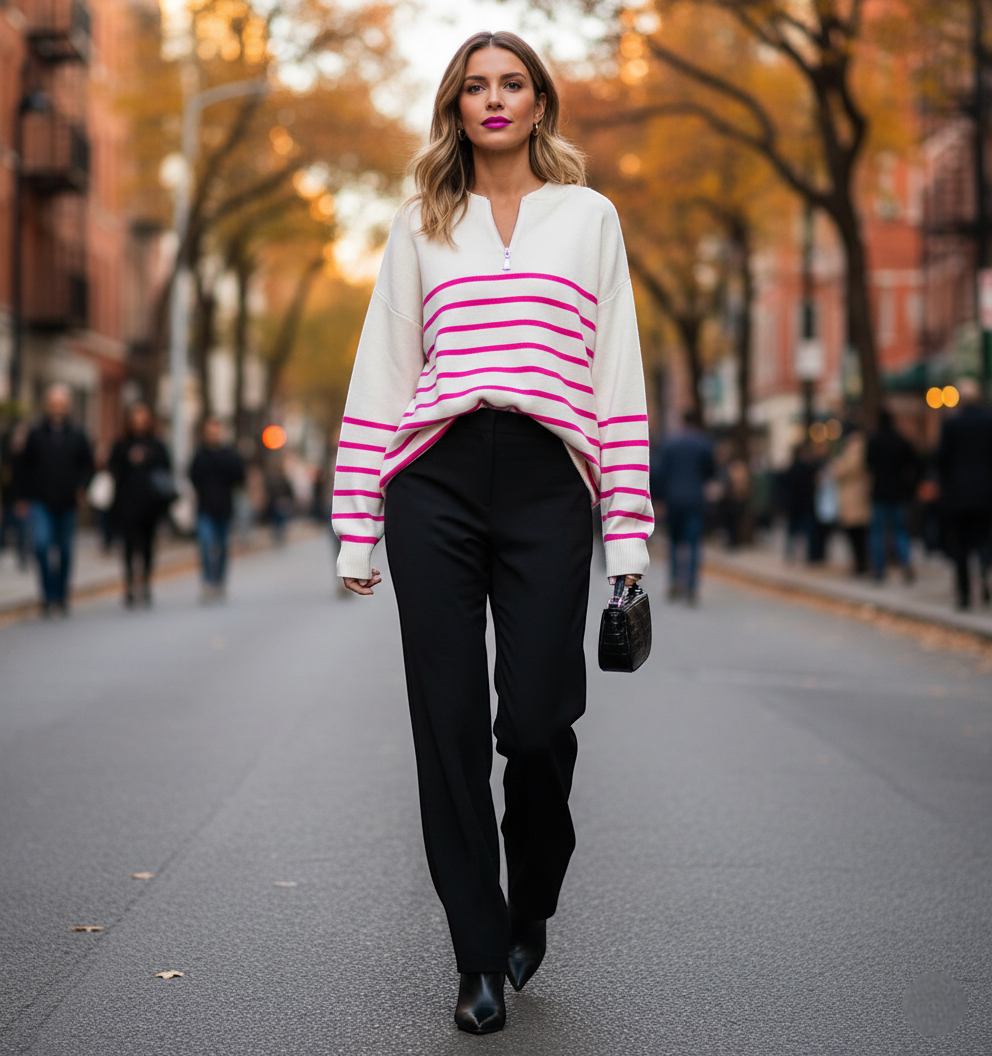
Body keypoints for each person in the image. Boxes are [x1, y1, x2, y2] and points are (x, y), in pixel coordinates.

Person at [330, 32, 652, 1034]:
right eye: (475, 86)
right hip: (434, 481)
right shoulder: (421, 222)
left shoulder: (587, 219)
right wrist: (356, 528)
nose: (494, 99)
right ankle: (475, 954)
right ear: (455, 108)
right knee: (450, 727)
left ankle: (533, 895)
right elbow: (382, 374)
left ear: (540, 103)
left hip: (545, 485)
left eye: (512, 83)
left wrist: (627, 543)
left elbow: (616, 379)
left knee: (537, 725)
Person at [21, 384, 94, 614]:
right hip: (40, 500)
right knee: (42, 545)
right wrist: (21, 497)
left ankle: (61, 596)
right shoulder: (35, 433)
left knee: (64, 550)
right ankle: (47, 593)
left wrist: (82, 488)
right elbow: (24, 467)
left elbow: (87, 465)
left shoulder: (78, 434)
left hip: (67, 501)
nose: (57, 409)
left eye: (61, 405)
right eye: (53, 404)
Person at [109, 403, 171, 607]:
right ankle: (128, 585)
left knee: (146, 547)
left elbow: (166, 468)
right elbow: (112, 468)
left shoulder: (157, 445)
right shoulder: (122, 445)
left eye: (143, 420)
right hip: (127, 505)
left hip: (150, 506)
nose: (139, 424)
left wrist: (149, 458)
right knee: (128, 547)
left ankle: (144, 583)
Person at [937, 377, 992, 608]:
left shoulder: (952, 424)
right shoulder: (989, 421)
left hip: (958, 495)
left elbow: (942, 459)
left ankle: (964, 594)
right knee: (984, 542)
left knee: (960, 547)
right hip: (986, 494)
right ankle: (984, 576)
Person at [650, 409, 715, 603]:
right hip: (695, 500)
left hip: (673, 501)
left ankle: (674, 583)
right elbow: (710, 472)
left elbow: (659, 473)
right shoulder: (704, 443)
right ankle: (692, 588)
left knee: (674, 544)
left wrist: (659, 499)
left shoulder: (669, 444)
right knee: (694, 544)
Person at [189, 416, 245, 600]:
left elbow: (239, 477)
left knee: (221, 546)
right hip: (205, 508)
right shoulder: (200, 455)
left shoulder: (229, 455)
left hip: (224, 508)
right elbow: (192, 476)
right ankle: (208, 581)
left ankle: (219, 581)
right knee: (206, 544)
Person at [866, 409, 918, 583]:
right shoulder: (900, 441)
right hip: (898, 492)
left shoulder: (874, 441)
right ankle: (905, 563)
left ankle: (879, 570)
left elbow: (868, 464)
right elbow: (913, 463)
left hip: (880, 492)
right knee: (900, 530)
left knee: (878, 532)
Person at [829, 425, 871, 576]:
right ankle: (860, 563)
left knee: (856, 534)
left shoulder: (854, 449)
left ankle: (860, 564)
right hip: (856, 496)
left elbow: (846, 470)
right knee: (857, 534)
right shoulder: (859, 448)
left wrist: (836, 466)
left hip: (854, 497)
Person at [0, 420, 31, 569]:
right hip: (8, 497)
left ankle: (23, 556)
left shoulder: (28, 455)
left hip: (22, 498)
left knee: (22, 529)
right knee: (5, 527)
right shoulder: (7, 453)